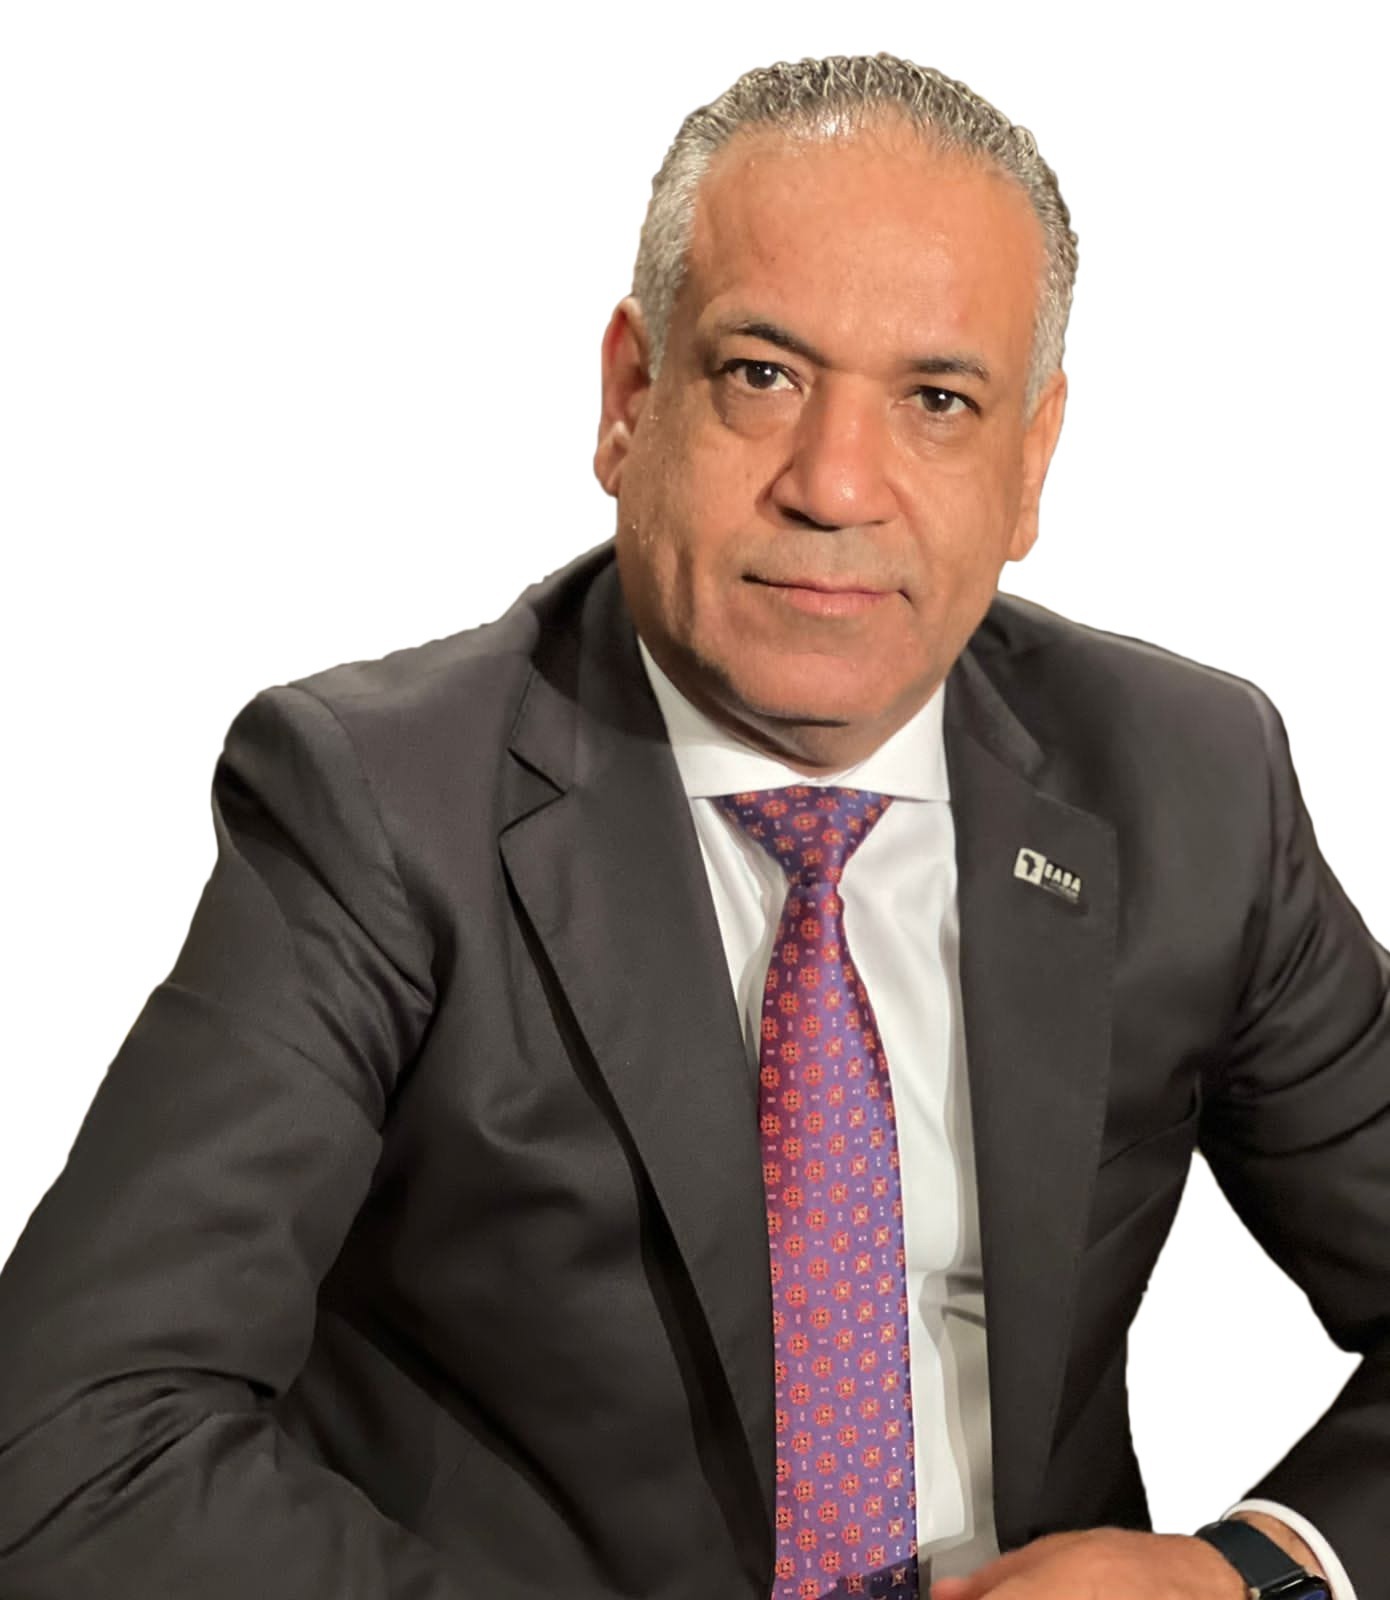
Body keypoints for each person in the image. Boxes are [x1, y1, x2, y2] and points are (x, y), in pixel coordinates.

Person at [0, 49, 1380, 1600]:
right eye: (761, 375)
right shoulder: (380, 806)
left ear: (1028, 464)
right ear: (628, 397)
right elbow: (74, 1448)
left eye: (935, 401)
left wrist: (1250, 1570)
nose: (834, 485)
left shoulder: (1186, 778)